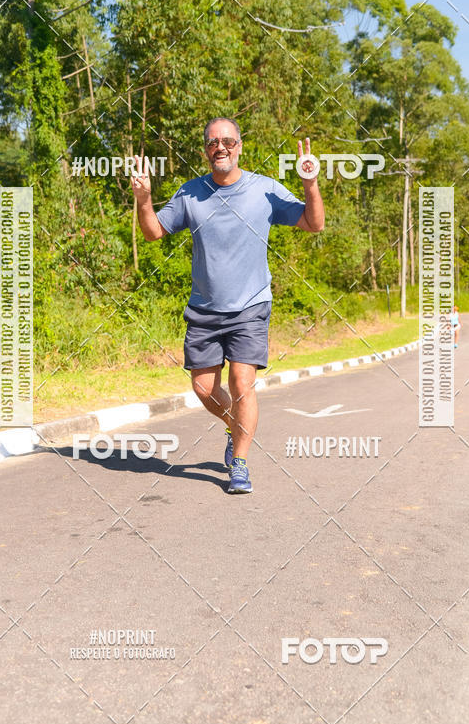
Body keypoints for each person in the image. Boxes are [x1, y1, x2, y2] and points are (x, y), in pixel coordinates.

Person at [130, 117, 324, 494]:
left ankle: (240, 464)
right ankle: (236, 428)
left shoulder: (264, 190)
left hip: (250, 307)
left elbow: (313, 223)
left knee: (241, 384)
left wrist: (310, 184)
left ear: (240, 146)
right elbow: (153, 232)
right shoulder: (190, 193)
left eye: (228, 141)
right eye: (213, 142)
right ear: (205, 150)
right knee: (204, 389)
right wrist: (144, 200)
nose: (221, 147)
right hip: (204, 309)